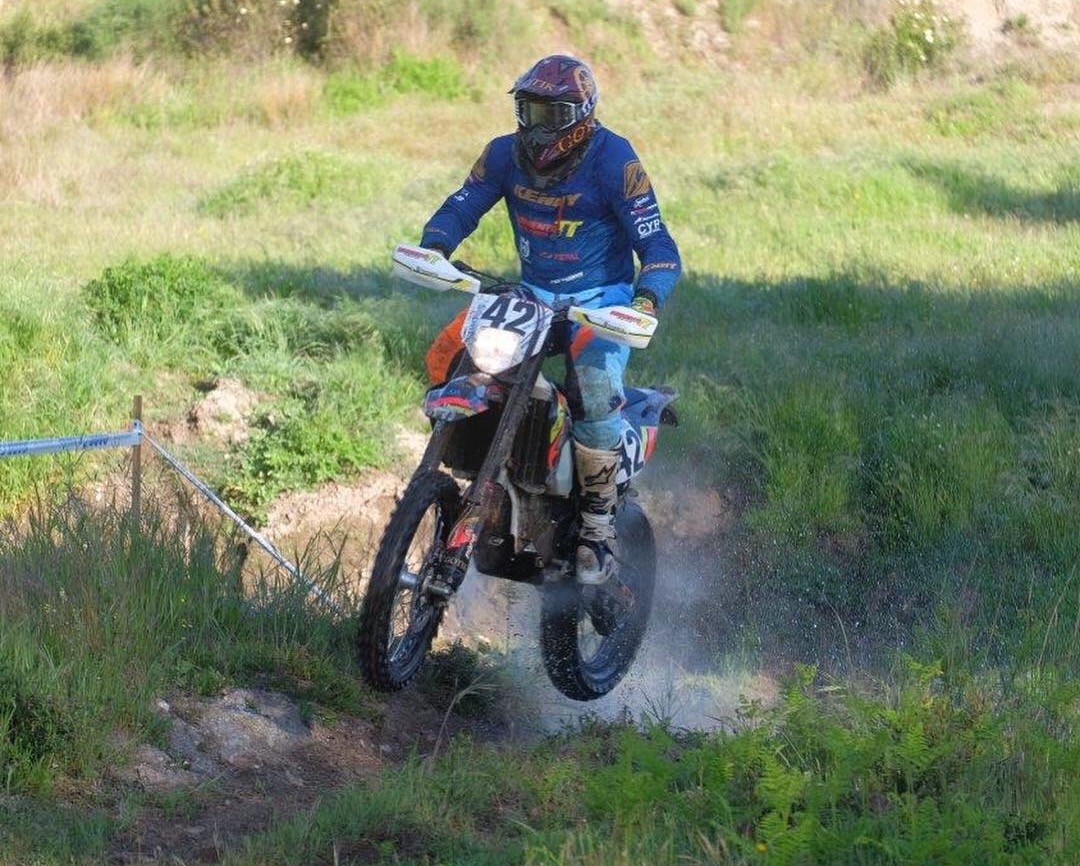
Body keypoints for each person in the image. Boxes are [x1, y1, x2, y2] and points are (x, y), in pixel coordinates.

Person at [418, 54, 681, 585]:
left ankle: (597, 529)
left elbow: (658, 246)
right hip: (533, 296)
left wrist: (645, 301)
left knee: (595, 387)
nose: (539, 128)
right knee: (450, 354)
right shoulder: (502, 153)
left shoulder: (614, 160)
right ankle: (476, 472)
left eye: (553, 114)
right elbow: (462, 205)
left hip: (599, 301)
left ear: (582, 115)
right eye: (530, 110)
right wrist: (434, 247)